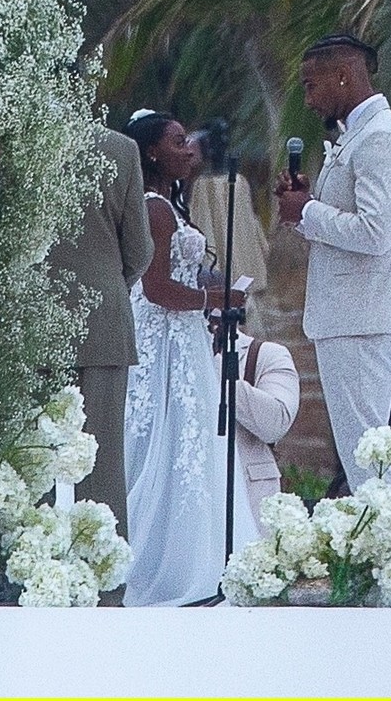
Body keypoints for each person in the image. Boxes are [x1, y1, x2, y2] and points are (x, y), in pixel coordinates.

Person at [121, 110, 258, 606]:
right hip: (162, 342)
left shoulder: (171, 205)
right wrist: (214, 302)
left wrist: (215, 289)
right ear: (152, 151)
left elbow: (181, 274)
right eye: (178, 142)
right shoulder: (154, 208)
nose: (190, 149)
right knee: (166, 441)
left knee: (189, 445)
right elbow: (156, 288)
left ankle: (190, 555)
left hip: (182, 339)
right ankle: (160, 565)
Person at [275, 33, 391, 492]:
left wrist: (309, 211)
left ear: (343, 75)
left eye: (311, 85)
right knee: (364, 457)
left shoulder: (382, 138)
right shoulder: (358, 136)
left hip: (364, 316)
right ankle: (379, 552)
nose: (308, 99)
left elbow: (375, 234)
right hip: (349, 316)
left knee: (371, 459)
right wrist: (300, 211)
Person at [46, 125, 153, 588]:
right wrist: (110, 282)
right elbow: (140, 249)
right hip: (104, 316)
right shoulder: (121, 148)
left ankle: (31, 573)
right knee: (104, 460)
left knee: (30, 458)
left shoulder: (15, 138)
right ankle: (107, 584)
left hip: (33, 319)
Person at [208, 314, 300, 532]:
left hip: (250, 501)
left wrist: (212, 366)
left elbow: (276, 424)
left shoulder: (267, 354)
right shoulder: (168, 360)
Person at [187, 119, 269, 331]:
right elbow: (203, 225)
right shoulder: (203, 185)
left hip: (241, 270)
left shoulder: (239, 182)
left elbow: (246, 228)